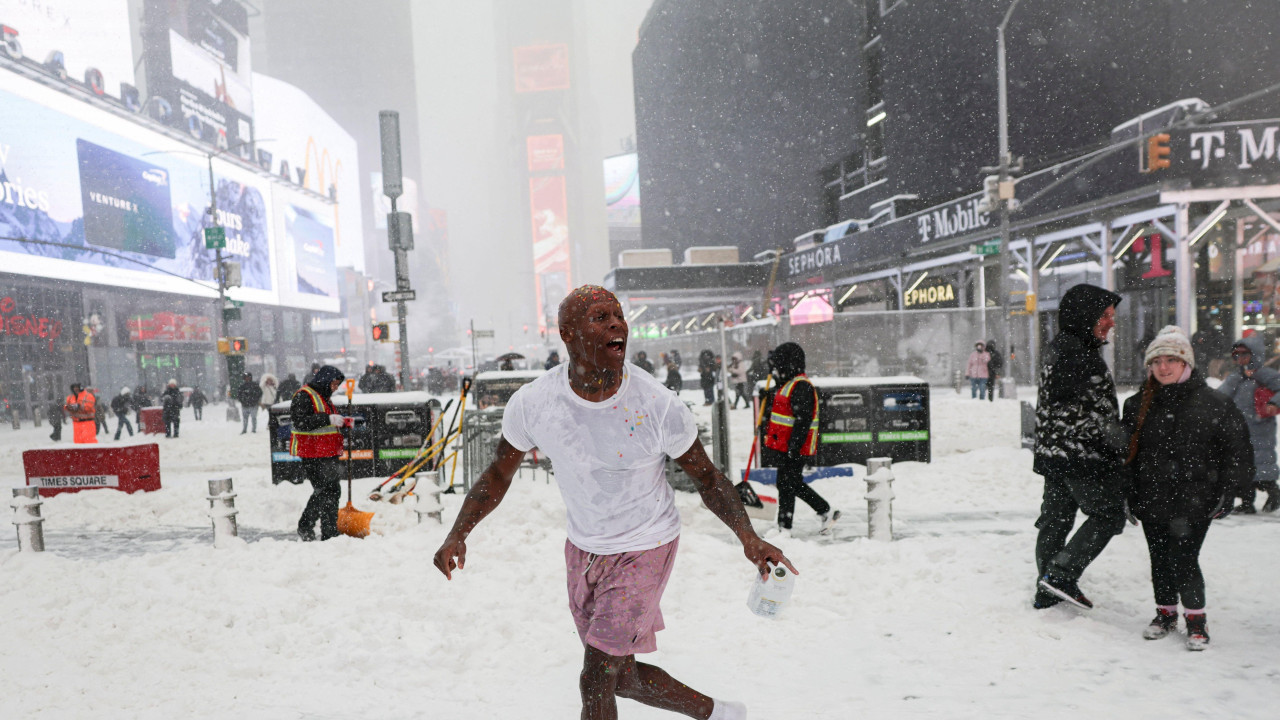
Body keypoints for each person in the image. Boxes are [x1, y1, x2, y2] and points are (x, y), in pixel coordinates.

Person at [433, 285, 791, 720]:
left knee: (595, 676)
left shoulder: (657, 405)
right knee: (621, 676)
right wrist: (458, 534)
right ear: (567, 334)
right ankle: (718, 714)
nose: (617, 324)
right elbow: (497, 475)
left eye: (618, 315)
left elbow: (709, 479)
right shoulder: (534, 404)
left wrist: (749, 538)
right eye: (600, 317)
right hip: (584, 549)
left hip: (647, 545)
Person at [1122, 326, 1252, 650]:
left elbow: (1237, 450)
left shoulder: (1215, 403)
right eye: (1157, 361)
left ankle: (1196, 620)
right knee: (1159, 558)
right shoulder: (1137, 404)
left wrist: (1230, 489)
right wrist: (1125, 491)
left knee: (1183, 557)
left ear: (1187, 364)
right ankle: (1165, 614)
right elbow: (1124, 455)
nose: (1163, 367)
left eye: (1171, 360)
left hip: (1195, 498)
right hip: (1151, 495)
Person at [1032, 283, 1126, 610]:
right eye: (1105, 315)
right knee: (1110, 515)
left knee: (1055, 520)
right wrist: (1117, 442)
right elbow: (1079, 414)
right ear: (1085, 316)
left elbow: (1056, 408)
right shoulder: (1080, 356)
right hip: (1080, 457)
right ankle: (1059, 575)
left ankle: (1047, 588)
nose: (1111, 322)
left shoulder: (1059, 348)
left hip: (1055, 455)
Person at [763, 342, 840, 536]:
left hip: (796, 447)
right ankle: (824, 511)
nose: (776, 369)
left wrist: (793, 447)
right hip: (787, 446)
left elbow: (803, 420)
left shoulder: (801, 386)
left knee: (788, 485)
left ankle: (785, 528)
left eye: (779, 364)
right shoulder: (789, 384)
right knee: (789, 483)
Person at [1214, 333, 1280, 513]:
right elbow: (1220, 396)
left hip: (1260, 429)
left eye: (1245, 355)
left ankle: (1273, 493)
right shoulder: (1236, 378)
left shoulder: (1265, 375)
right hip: (1239, 430)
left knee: (1262, 466)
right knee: (1242, 470)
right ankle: (1246, 501)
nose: (1240, 359)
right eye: (1237, 355)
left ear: (1255, 355)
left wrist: (1274, 403)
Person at [290, 365, 351, 541]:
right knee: (324, 490)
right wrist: (328, 418)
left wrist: (342, 423)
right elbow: (301, 421)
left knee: (332, 490)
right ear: (325, 380)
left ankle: (329, 530)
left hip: (326, 452)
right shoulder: (304, 395)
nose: (336, 388)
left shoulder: (324, 398)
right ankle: (306, 526)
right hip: (312, 453)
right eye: (334, 384)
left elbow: (325, 426)